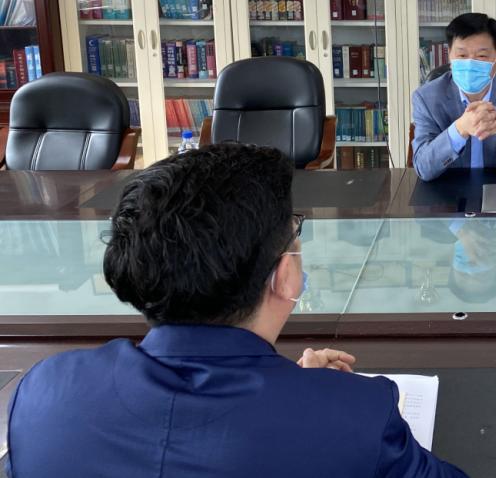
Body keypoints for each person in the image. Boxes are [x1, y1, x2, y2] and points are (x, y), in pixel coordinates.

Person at [5, 143, 467, 478]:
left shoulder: (46, 394)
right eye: (295, 231)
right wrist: (318, 400)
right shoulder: (357, 415)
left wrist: (299, 392)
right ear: (285, 275)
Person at [412, 13, 496, 181]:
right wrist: (459, 129)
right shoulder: (426, 98)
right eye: (462, 56)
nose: (470, 63)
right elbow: (423, 168)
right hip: (449, 191)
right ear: (449, 56)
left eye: (481, 56)